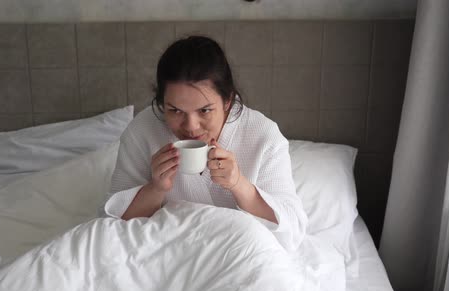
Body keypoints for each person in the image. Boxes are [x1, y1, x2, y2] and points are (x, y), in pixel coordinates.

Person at [103, 36, 306, 250]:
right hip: (167, 251)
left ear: (227, 101)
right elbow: (111, 224)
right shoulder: (142, 130)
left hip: (241, 252)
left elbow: (293, 229)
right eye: (175, 110)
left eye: (205, 110)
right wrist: (156, 188)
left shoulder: (262, 135)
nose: (191, 126)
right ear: (162, 103)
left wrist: (238, 184)